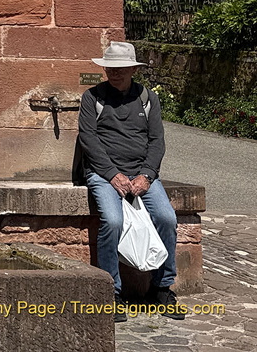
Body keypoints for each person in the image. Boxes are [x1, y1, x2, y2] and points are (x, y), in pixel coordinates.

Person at [76, 41, 184, 323]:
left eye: (122, 69)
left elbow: (157, 141)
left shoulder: (148, 99)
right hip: (103, 174)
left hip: (141, 173)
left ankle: (162, 288)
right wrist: (112, 174)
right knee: (112, 221)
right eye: (110, 68)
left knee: (166, 218)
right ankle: (112, 292)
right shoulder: (92, 97)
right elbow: (89, 139)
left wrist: (147, 175)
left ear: (134, 69)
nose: (115, 73)